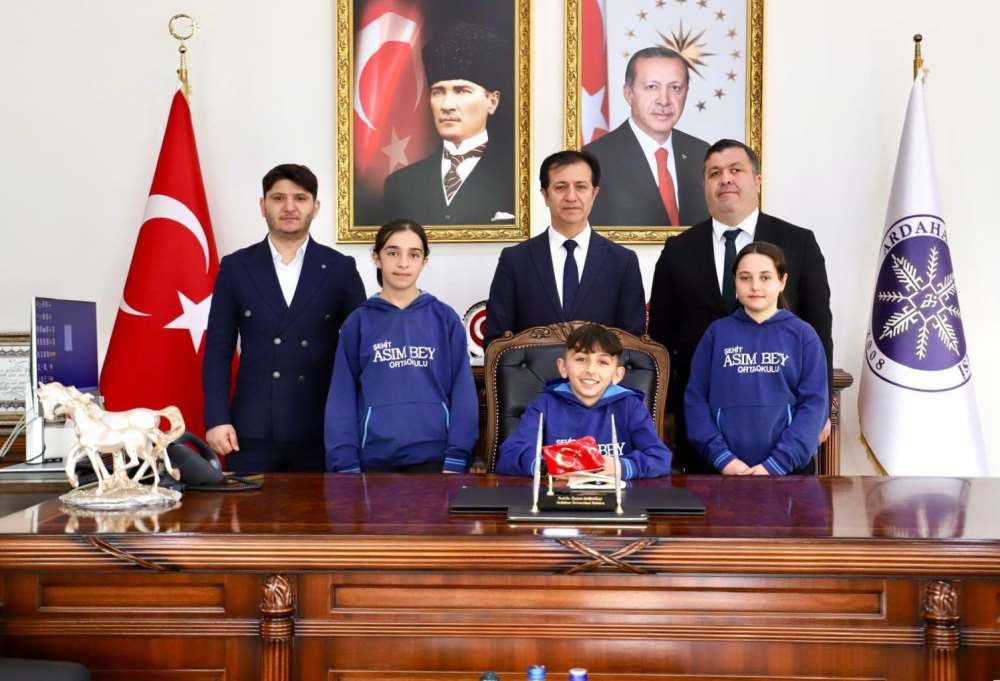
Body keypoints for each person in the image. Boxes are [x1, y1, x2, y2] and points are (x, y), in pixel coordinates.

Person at [647, 139, 833, 472]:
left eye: (736, 170)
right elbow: (660, 339)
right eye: (714, 173)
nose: (725, 179)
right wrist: (667, 412)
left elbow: (820, 330)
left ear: (757, 181)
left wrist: (823, 412)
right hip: (704, 434)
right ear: (704, 185)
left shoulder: (799, 242)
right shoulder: (677, 251)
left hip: (783, 433)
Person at [202, 164, 365, 472]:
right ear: (263, 205)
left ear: (315, 207)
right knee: (247, 506)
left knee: (320, 507)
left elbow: (360, 350)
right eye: (278, 198)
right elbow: (218, 349)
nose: (289, 207)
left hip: (321, 428)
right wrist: (216, 419)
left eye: (300, 198)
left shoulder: (340, 268)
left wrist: (356, 422)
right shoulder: (236, 267)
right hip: (251, 430)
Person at [324, 219, 477, 473]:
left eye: (413, 254)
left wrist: (457, 457)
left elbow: (463, 393)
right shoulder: (358, 322)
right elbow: (342, 398)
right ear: (377, 257)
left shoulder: (445, 319)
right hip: (372, 463)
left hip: (437, 463)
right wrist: (345, 464)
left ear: (424, 261)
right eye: (393, 253)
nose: (403, 263)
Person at [684, 242, 828, 475]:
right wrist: (724, 459)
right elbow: (695, 400)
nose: (755, 286)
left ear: (782, 281)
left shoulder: (804, 335)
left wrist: (777, 464)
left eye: (765, 277)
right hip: (725, 471)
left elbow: (814, 405)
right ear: (735, 283)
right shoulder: (716, 333)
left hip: (787, 473)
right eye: (745, 278)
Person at [483, 150, 645, 348]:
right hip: (533, 369)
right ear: (545, 195)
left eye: (581, 187)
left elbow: (633, 345)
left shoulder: (622, 261)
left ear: (594, 194)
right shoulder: (515, 260)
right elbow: (497, 342)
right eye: (560, 187)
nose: (571, 197)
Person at [496, 324, 671, 478]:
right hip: (559, 498)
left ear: (617, 375)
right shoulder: (544, 405)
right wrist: (547, 466)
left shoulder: (630, 406)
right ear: (563, 367)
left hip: (617, 499)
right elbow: (509, 455)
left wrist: (621, 467)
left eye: (603, 362)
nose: (591, 370)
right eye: (581, 359)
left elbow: (660, 458)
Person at [382, 23, 515, 225]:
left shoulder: (517, 178)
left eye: (462, 91)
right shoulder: (400, 184)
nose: (446, 105)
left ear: (492, 101)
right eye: (438, 92)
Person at [584, 46, 710, 228]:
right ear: (629, 94)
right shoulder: (595, 159)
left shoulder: (702, 153)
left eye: (675, 88)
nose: (664, 100)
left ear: (686, 93)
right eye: (652, 87)